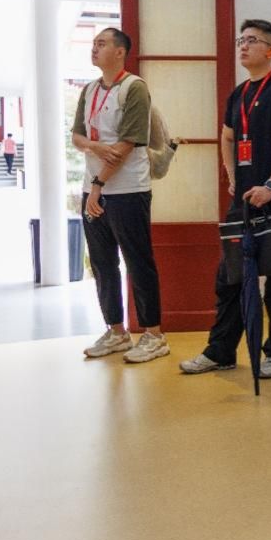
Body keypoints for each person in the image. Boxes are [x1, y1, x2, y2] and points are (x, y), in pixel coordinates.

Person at [180, 19, 271, 379]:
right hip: (245, 200)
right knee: (230, 276)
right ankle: (220, 351)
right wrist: (234, 177)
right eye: (241, 40)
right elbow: (227, 137)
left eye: (252, 40)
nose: (243, 46)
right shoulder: (238, 94)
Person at [72, 28, 167, 364]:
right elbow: (77, 137)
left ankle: (154, 334)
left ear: (120, 51)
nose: (94, 49)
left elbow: (127, 144)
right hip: (93, 188)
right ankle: (116, 331)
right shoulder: (89, 89)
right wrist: (95, 148)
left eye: (101, 44)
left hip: (127, 189)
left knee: (138, 261)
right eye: (93, 44)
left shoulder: (134, 87)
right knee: (102, 262)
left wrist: (99, 183)